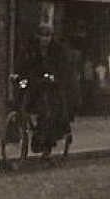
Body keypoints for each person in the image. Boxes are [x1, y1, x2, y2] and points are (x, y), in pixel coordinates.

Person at [18, 21, 81, 149]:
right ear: (37, 36)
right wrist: (18, 75)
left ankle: (45, 138)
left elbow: (63, 69)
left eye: (48, 36)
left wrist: (54, 77)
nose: (44, 39)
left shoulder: (58, 51)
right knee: (20, 96)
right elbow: (23, 64)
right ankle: (16, 129)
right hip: (35, 82)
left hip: (53, 86)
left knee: (47, 107)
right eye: (42, 35)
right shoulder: (31, 49)